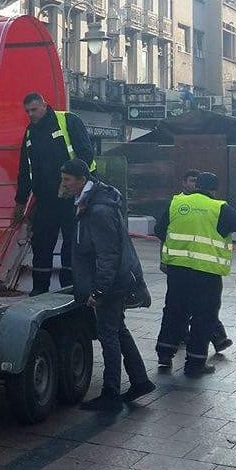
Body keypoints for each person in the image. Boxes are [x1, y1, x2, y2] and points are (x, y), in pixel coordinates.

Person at [60, 159, 154, 412]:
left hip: (109, 284)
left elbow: (108, 254)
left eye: (67, 180)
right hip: (110, 281)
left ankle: (110, 392)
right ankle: (140, 380)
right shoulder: (87, 203)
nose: (64, 185)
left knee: (108, 335)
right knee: (118, 331)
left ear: (81, 179)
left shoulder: (98, 209)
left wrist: (98, 290)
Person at [154, 172, 236, 376]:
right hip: (206, 274)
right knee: (203, 316)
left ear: (196, 185)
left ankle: (164, 354)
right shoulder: (219, 208)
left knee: (174, 311)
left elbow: (159, 229)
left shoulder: (177, 203)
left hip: (178, 270)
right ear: (215, 190)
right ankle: (195, 362)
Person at [14, 92, 96, 295]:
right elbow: (25, 169)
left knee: (73, 243)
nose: (30, 115)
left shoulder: (68, 121)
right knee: (41, 243)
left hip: (74, 197)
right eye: (27, 111)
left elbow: (85, 154)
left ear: (44, 105)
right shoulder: (30, 133)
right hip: (46, 200)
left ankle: (71, 290)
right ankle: (39, 291)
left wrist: (71, 184)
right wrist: (20, 202)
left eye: (34, 109)